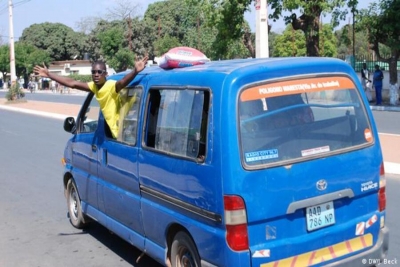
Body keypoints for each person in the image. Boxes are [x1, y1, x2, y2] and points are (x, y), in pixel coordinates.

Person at [34, 56, 148, 138]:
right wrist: (49, 75)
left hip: (123, 135)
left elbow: (122, 82)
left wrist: (135, 71)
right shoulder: (94, 86)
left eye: (99, 72)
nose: (96, 74)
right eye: (93, 72)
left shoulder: (110, 85)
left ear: (105, 74)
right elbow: (72, 83)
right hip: (115, 134)